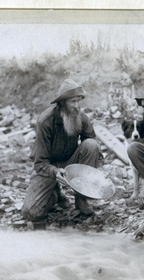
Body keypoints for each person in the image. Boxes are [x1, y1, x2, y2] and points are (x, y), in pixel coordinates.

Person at [22, 79, 102, 222]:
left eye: (79, 101)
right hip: (48, 167)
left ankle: (81, 199)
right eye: (72, 102)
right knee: (31, 213)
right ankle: (55, 194)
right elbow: (40, 163)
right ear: (62, 103)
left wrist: (98, 170)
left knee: (91, 144)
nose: (77, 106)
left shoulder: (81, 118)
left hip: (71, 164)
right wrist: (54, 172)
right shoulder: (45, 121)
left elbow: (93, 147)